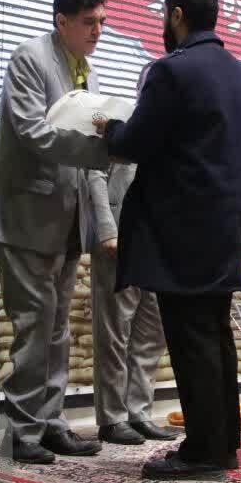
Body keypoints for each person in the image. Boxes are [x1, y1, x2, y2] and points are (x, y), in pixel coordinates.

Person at [94, 0, 241, 480]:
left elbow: (135, 143)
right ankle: (223, 444)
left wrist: (109, 128)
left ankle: (203, 452)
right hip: (228, 229)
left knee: (191, 339)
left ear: (177, 15)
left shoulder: (171, 70)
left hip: (185, 232)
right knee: (214, 334)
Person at [0, 0, 111, 464]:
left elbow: (87, 143)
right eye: (89, 22)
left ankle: (51, 422)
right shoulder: (30, 58)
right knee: (34, 328)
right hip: (29, 215)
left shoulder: (87, 70)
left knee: (58, 329)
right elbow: (32, 131)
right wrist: (101, 149)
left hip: (68, 218)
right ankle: (22, 431)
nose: (98, 31)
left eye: (102, 22)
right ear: (61, 21)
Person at [86, 63, 181, 446]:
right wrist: (107, 230)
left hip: (158, 245)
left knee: (151, 333)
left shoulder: (173, 130)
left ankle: (139, 412)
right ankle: (112, 418)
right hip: (119, 240)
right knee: (114, 333)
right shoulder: (119, 120)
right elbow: (94, 173)